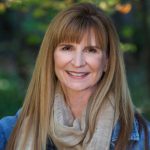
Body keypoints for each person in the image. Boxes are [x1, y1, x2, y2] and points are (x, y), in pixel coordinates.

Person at [0, 2, 149, 150]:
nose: (78, 63)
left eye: (91, 50)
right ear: (51, 56)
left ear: (107, 61)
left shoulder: (142, 139)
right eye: (67, 48)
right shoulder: (8, 133)